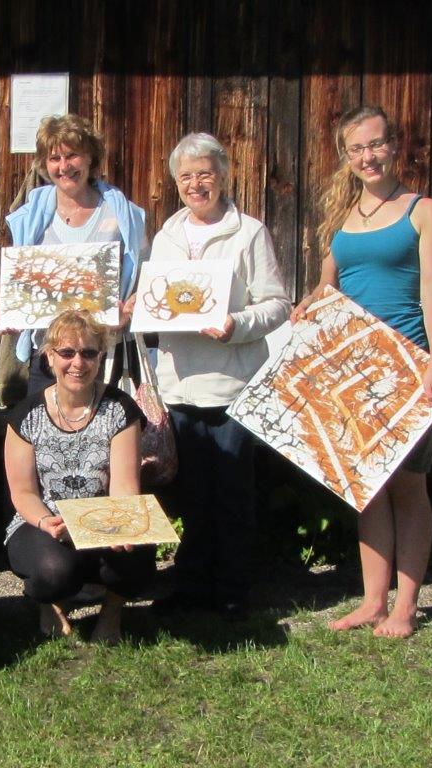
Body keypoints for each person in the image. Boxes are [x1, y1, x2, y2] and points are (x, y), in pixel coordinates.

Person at [291, 106, 432, 638]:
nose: (368, 156)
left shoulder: (422, 210)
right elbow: (329, 286)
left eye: (376, 144)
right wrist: (308, 304)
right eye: (357, 148)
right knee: (369, 488)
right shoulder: (341, 216)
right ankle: (372, 602)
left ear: (394, 145)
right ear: (346, 156)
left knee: (408, 487)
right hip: (351, 371)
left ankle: (406, 606)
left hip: (406, 367)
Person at [146, 132, 290, 619]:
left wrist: (235, 326)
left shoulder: (249, 233)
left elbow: (277, 304)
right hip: (179, 383)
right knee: (190, 495)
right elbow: (160, 299)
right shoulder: (167, 235)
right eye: (186, 176)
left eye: (205, 173)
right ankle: (190, 584)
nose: (196, 184)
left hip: (231, 384)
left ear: (224, 176)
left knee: (231, 493)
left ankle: (231, 589)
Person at [4, 310, 155, 643]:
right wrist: (46, 522)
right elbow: (23, 492)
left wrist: (121, 524)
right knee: (53, 571)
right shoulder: (25, 415)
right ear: (49, 356)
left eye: (88, 353)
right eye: (67, 352)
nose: (78, 363)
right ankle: (49, 604)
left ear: (100, 357)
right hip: (44, 520)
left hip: (103, 519)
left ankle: (112, 614)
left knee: (138, 554)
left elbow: (125, 485)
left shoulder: (121, 409)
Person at [6, 114, 148, 394]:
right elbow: (21, 282)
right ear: (44, 164)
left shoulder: (124, 216)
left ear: (90, 158)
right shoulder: (29, 219)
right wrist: (13, 309)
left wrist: (128, 311)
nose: (64, 166)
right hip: (49, 354)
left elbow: (145, 278)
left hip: (104, 354)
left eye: (73, 155)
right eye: (54, 158)